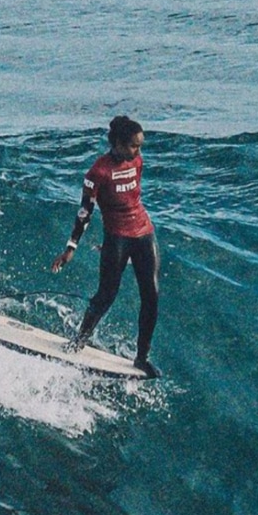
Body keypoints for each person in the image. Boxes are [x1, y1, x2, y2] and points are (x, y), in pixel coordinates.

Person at [50, 116, 161, 378]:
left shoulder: (137, 162)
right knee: (106, 296)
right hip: (118, 237)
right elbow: (85, 212)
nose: (138, 151)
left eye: (140, 146)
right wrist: (71, 247)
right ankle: (78, 343)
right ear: (118, 144)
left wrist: (132, 251)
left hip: (144, 233)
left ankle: (141, 358)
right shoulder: (98, 172)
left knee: (152, 296)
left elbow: (133, 199)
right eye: (134, 146)